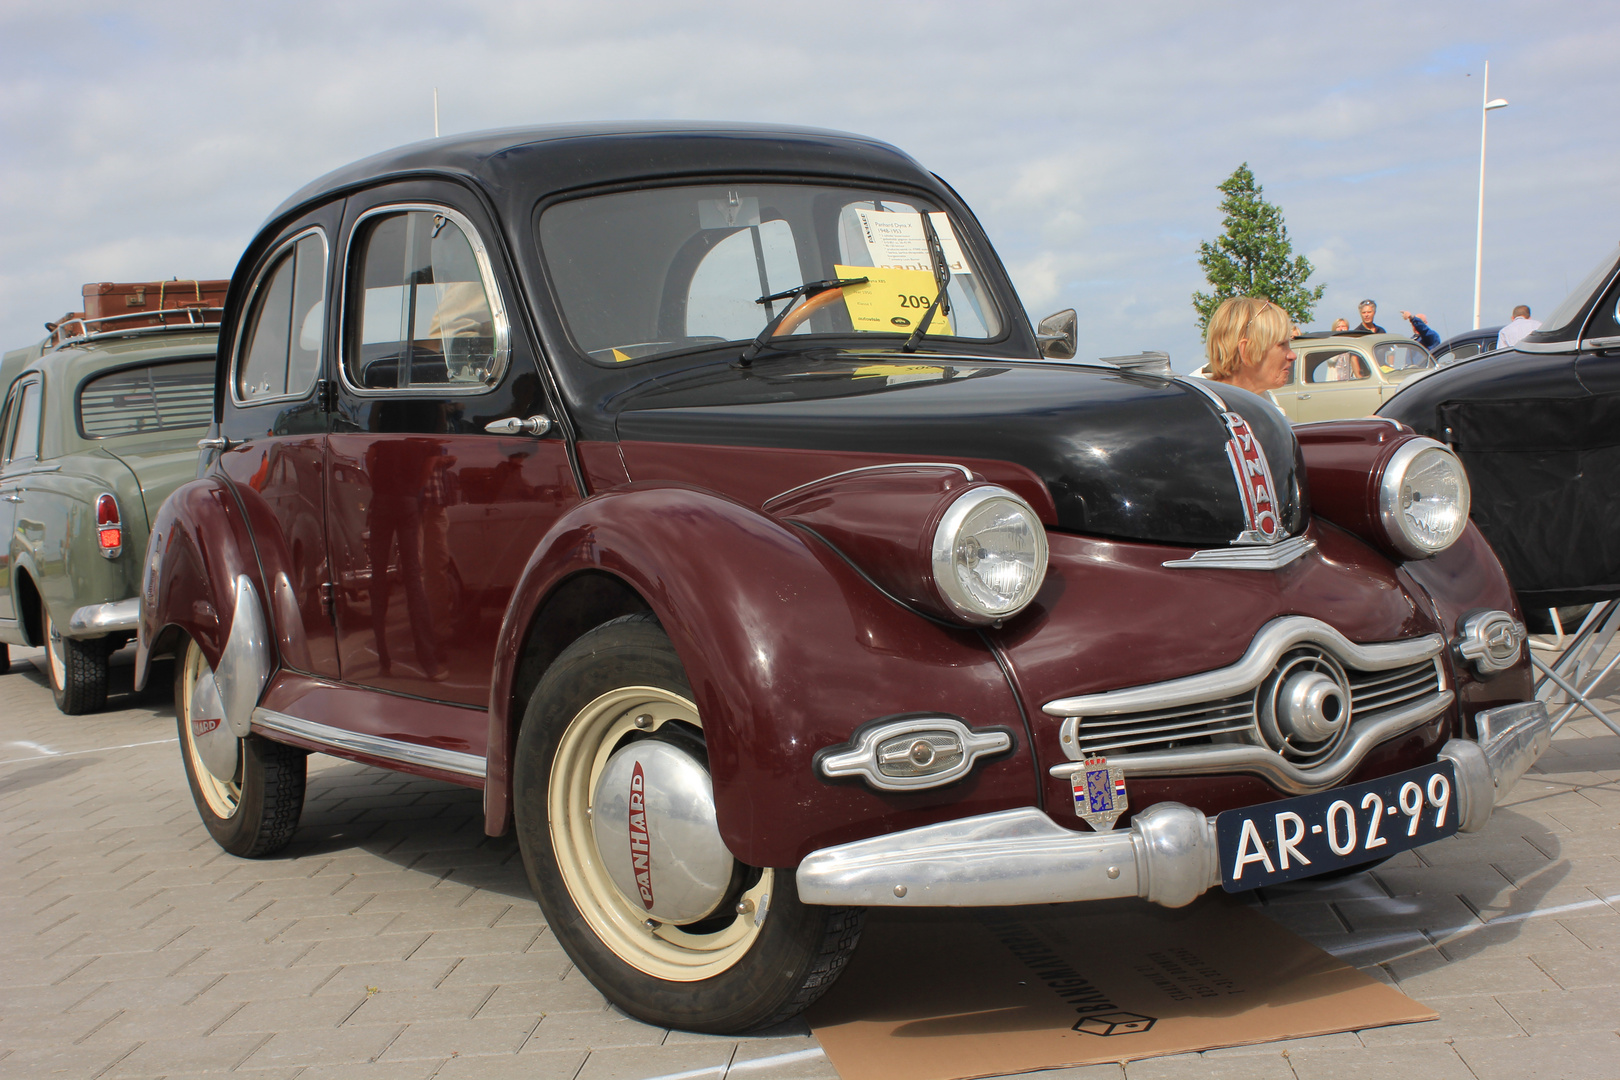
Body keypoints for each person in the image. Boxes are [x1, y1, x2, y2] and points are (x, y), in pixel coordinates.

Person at [1204, 296, 1295, 399]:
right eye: (1282, 344)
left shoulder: (1265, 401)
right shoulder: (1200, 406)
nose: (1292, 355)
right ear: (1246, 351)